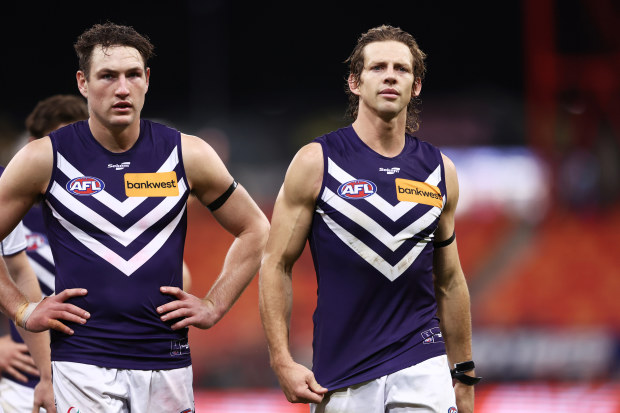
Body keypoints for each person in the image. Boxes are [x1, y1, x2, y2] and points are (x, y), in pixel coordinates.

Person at [0, 22, 269, 412]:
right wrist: (22, 310)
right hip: (82, 363)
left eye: (132, 75)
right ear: (83, 82)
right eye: (107, 76)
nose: (122, 88)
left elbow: (255, 228)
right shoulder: (44, 158)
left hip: (168, 362)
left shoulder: (187, 154)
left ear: (147, 79)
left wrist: (214, 305)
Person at [259, 25, 480, 413]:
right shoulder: (316, 162)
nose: (391, 74)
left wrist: (461, 373)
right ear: (355, 82)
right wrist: (281, 359)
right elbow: (276, 264)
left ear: (416, 86)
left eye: (402, 68)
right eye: (378, 67)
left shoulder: (440, 171)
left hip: (422, 361)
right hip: (342, 375)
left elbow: (450, 281)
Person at [0, 180, 56, 413]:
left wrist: (47, 375)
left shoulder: (4, 184)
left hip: (77, 361)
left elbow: (17, 269)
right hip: (19, 376)